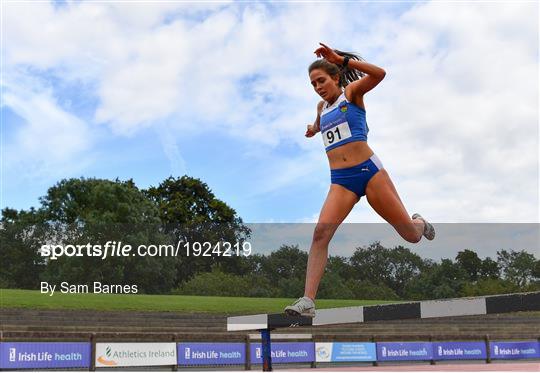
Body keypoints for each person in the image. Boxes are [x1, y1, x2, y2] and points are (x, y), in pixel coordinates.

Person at [284, 43, 435, 317]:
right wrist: (312, 129)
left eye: (321, 80)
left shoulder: (352, 94)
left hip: (369, 173)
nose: (317, 87)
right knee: (320, 234)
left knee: (411, 236)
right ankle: (307, 300)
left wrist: (342, 59)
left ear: (336, 78)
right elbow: (320, 124)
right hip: (341, 181)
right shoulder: (322, 107)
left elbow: (379, 74)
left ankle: (419, 222)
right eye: (313, 83)